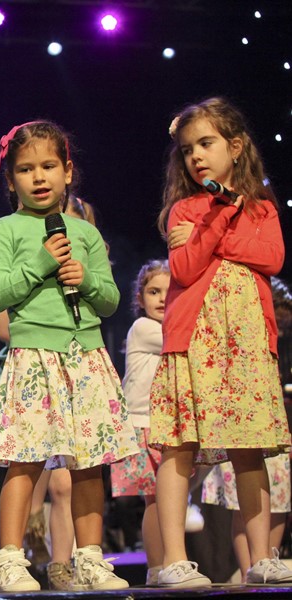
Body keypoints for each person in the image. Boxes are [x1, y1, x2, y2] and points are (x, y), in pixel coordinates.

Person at [0, 120, 137, 592]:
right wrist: (41, 263)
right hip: (34, 357)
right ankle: (12, 561)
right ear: (11, 181)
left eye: (48, 166)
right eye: (26, 169)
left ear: (67, 171)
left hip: (85, 355)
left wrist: (85, 278)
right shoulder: (6, 229)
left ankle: (90, 559)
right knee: (24, 461)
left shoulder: (85, 233)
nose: (39, 177)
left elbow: (109, 300)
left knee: (89, 463)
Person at [150, 97, 291, 587]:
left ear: (235, 147)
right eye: (188, 149)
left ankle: (261, 557)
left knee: (249, 449)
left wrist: (217, 230)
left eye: (206, 144)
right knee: (180, 446)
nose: (196, 156)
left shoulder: (262, 208)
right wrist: (213, 222)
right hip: (196, 341)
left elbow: (272, 258)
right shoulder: (185, 210)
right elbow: (187, 267)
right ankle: (173, 559)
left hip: (245, 345)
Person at [109, 259, 170, 585]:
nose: (162, 298)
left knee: (165, 498)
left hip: (164, 421)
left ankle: (166, 564)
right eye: (153, 291)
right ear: (140, 298)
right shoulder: (144, 328)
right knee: (155, 498)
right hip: (143, 421)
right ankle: (158, 567)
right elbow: (181, 338)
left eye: (169, 291)